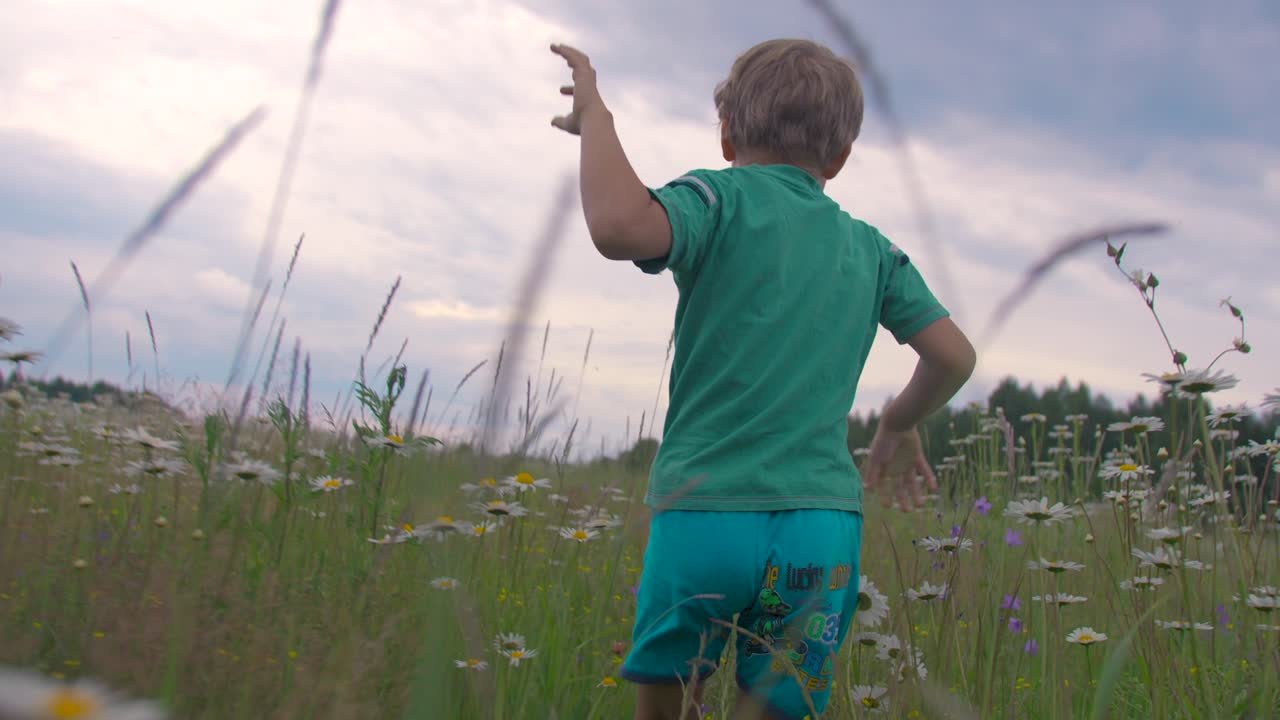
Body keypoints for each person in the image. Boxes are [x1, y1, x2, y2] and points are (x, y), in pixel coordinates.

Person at [550, 39, 976, 720]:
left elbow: (617, 226)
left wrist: (596, 120)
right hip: (819, 532)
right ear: (838, 158)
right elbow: (954, 357)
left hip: (703, 517)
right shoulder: (875, 252)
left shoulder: (716, 202)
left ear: (726, 134)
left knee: (666, 703)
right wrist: (898, 422)